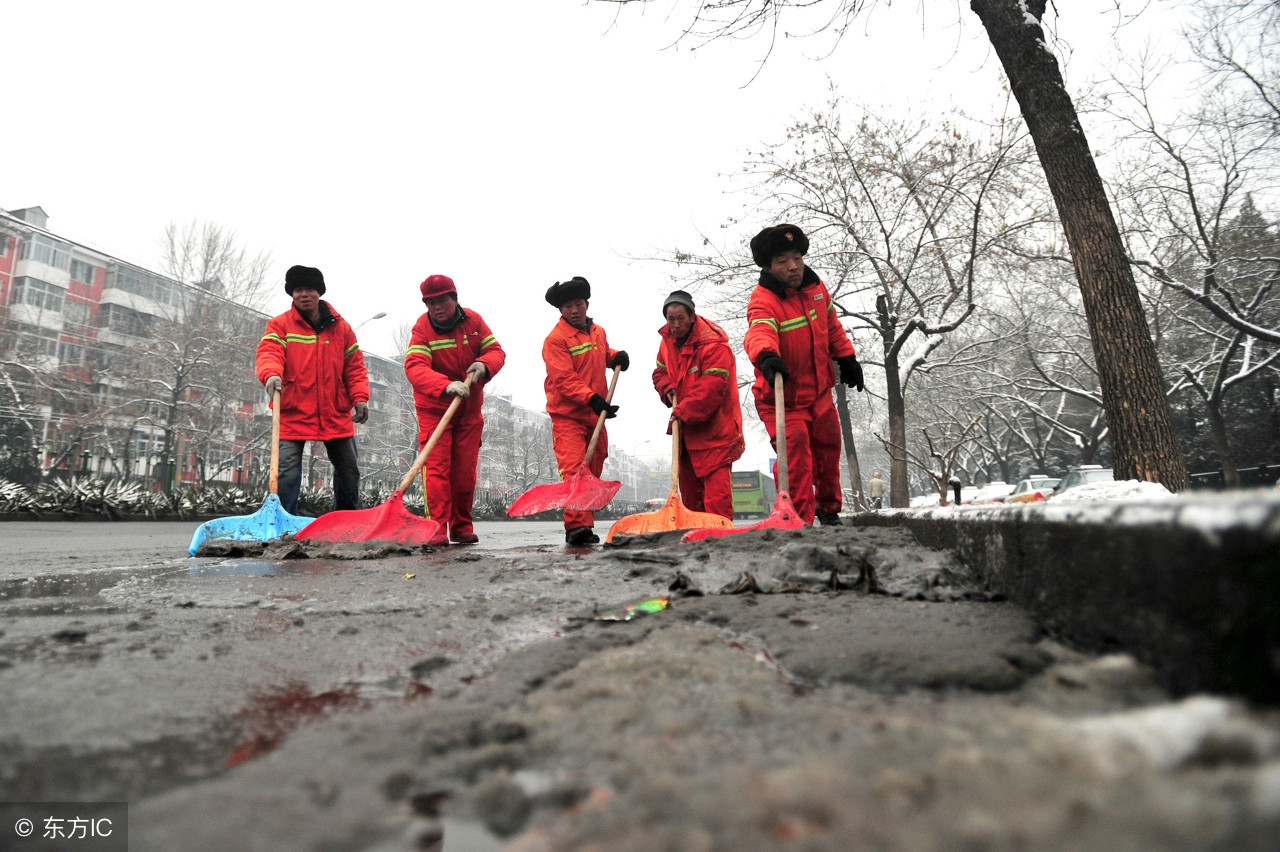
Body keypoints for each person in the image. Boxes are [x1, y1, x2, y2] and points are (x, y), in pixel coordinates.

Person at [742, 224, 863, 525]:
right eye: (783, 261)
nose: (793, 266)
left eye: (797, 257)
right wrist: (766, 355)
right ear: (769, 267)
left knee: (828, 449)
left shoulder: (816, 290)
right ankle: (799, 518)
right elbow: (760, 331)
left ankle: (829, 510)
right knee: (796, 458)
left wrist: (847, 357)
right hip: (783, 399)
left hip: (820, 393)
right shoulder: (764, 300)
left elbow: (831, 326)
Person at [256, 265, 370, 515]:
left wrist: (360, 397)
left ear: (319, 292)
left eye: (309, 289)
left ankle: (344, 519)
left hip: (334, 411)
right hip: (292, 409)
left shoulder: (342, 328)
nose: (303, 294)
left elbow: (355, 367)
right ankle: (284, 522)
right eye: (298, 289)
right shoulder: (279, 325)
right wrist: (271, 374)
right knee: (286, 472)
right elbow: (269, 354)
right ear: (291, 293)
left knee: (349, 470)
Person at [404, 274, 506, 546]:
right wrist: (446, 385)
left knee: (464, 475)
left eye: (442, 300)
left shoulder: (473, 321)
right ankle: (436, 528)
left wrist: (484, 364)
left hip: (469, 413)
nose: (437, 307)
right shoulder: (422, 329)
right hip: (435, 411)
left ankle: (461, 527)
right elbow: (415, 367)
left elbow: (496, 351)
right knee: (437, 473)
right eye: (431, 302)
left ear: (454, 299)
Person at [542, 276, 628, 545]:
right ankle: (577, 528)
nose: (574, 310)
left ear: (587, 304)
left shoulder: (597, 332)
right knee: (575, 469)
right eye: (568, 306)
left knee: (594, 465)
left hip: (595, 416)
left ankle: (585, 522)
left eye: (578, 303)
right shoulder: (555, 340)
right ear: (561, 310)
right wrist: (591, 398)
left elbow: (599, 354)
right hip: (568, 416)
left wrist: (614, 357)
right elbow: (564, 379)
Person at [651, 290, 745, 521]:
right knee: (692, 500)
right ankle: (697, 539)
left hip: (716, 433)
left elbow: (712, 388)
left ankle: (720, 539)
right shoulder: (666, 344)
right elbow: (659, 371)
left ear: (692, 316)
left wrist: (682, 412)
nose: (675, 325)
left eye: (680, 318)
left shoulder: (714, 346)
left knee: (716, 500)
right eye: (670, 319)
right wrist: (666, 387)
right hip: (686, 432)